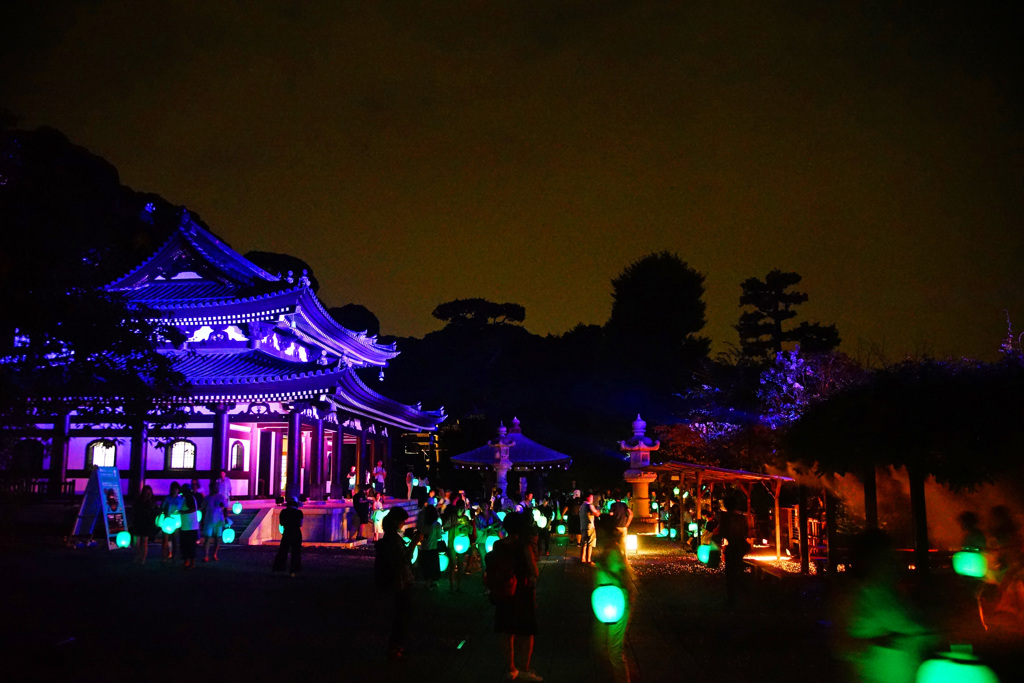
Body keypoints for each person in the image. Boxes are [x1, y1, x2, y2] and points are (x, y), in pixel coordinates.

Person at [835, 529, 937, 683]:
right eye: (887, 557)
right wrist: (874, 642)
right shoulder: (854, 597)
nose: (894, 562)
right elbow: (840, 644)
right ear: (870, 560)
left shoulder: (891, 593)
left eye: (892, 556)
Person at [491, 512, 542, 682]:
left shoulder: (498, 545)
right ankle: (525, 669)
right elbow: (534, 571)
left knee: (507, 632)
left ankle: (511, 668)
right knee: (526, 632)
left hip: (504, 593)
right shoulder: (523, 545)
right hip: (522, 592)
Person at [594, 522, 636, 683]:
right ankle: (624, 674)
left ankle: (624, 678)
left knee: (614, 650)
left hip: (616, 602)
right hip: (607, 602)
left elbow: (623, 579)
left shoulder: (613, 552)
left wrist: (603, 567)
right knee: (605, 646)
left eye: (601, 532)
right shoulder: (608, 550)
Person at [375, 507, 419, 660]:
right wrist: (414, 542)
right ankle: (395, 648)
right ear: (396, 521)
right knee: (401, 616)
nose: (403, 524)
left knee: (402, 615)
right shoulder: (393, 539)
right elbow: (404, 558)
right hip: (400, 581)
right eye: (402, 521)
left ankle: (397, 647)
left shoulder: (391, 537)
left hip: (400, 579)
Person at [273, 497, 303, 576]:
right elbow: (300, 524)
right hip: (296, 532)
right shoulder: (299, 512)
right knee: (296, 551)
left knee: (283, 550)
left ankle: (279, 567)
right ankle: (294, 568)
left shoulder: (283, 512)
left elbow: (281, 523)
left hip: (287, 532)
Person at [201, 480, 228, 562]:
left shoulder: (221, 497)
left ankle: (214, 554)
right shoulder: (207, 498)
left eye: (216, 488)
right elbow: (203, 509)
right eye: (213, 488)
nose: (214, 489)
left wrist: (225, 518)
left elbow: (225, 508)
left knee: (217, 538)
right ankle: (206, 555)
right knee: (207, 538)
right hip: (208, 520)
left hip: (219, 520)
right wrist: (202, 520)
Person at [131, 485, 159, 565]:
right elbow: (135, 510)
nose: (147, 494)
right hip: (139, 522)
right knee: (137, 542)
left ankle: (143, 558)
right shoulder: (139, 501)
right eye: (146, 493)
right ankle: (137, 556)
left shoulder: (152, 502)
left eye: (149, 493)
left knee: (144, 541)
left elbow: (155, 511)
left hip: (147, 523)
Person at [178, 484, 200, 569]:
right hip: (186, 526)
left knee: (190, 546)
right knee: (186, 545)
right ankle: (187, 561)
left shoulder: (189, 498)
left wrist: (183, 512)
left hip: (190, 526)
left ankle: (191, 562)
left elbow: (193, 509)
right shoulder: (185, 499)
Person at [475, 499, 501, 572]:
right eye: (482, 505)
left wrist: (494, 527)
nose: (483, 507)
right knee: (484, 561)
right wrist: (489, 527)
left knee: (493, 560)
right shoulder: (478, 517)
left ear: (488, 505)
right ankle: (485, 578)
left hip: (491, 539)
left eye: (485, 505)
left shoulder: (492, 514)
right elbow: (479, 529)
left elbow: (500, 523)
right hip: (482, 540)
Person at [160, 481, 182, 563]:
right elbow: (162, 508)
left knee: (175, 540)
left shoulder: (181, 499)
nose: (174, 490)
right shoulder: (167, 498)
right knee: (165, 540)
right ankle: (164, 557)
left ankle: (174, 557)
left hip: (176, 523)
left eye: (176, 489)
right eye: (173, 489)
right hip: (167, 522)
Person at [580, 493, 600, 565]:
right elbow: (596, 514)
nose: (592, 499)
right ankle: (588, 559)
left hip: (583, 526)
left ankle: (582, 558)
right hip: (590, 527)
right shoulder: (589, 505)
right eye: (591, 498)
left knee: (584, 543)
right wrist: (598, 510)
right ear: (588, 498)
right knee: (590, 543)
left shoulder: (582, 506)